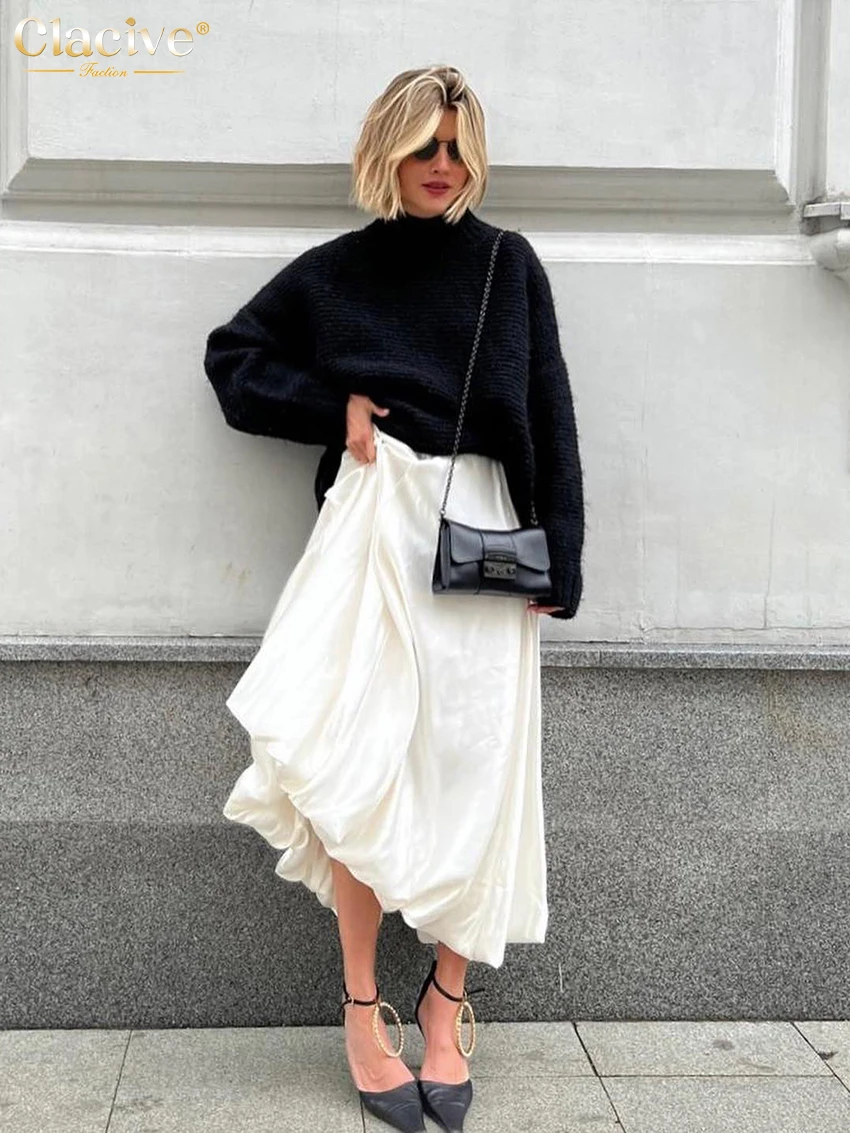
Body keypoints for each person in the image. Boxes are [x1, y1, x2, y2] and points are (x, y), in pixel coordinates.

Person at [204, 64, 585, 1133]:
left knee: (475, 766)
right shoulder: (337, 272)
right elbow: (233, 360)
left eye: (456, 147)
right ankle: (362, 1010)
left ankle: (445, 1006)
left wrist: (563, 555)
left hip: (481, 536)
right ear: (388, 150)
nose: (441, 165)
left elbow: (550, 407)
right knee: (356, 767)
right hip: (373, 528)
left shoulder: (507, 264)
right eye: (423, 145)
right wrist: (333, 406)